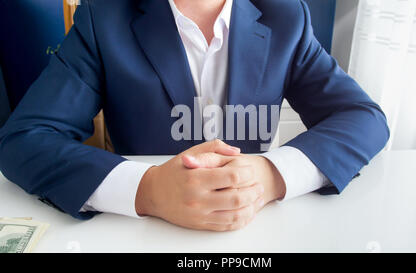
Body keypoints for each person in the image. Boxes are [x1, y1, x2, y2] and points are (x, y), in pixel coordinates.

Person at [0, 0, 389, 231]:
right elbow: (25, 138)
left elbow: (363, 117)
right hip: (144, 233)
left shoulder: (286, 15)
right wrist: (148, 189)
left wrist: (270, 176)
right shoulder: (103, 17)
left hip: (256, 231)